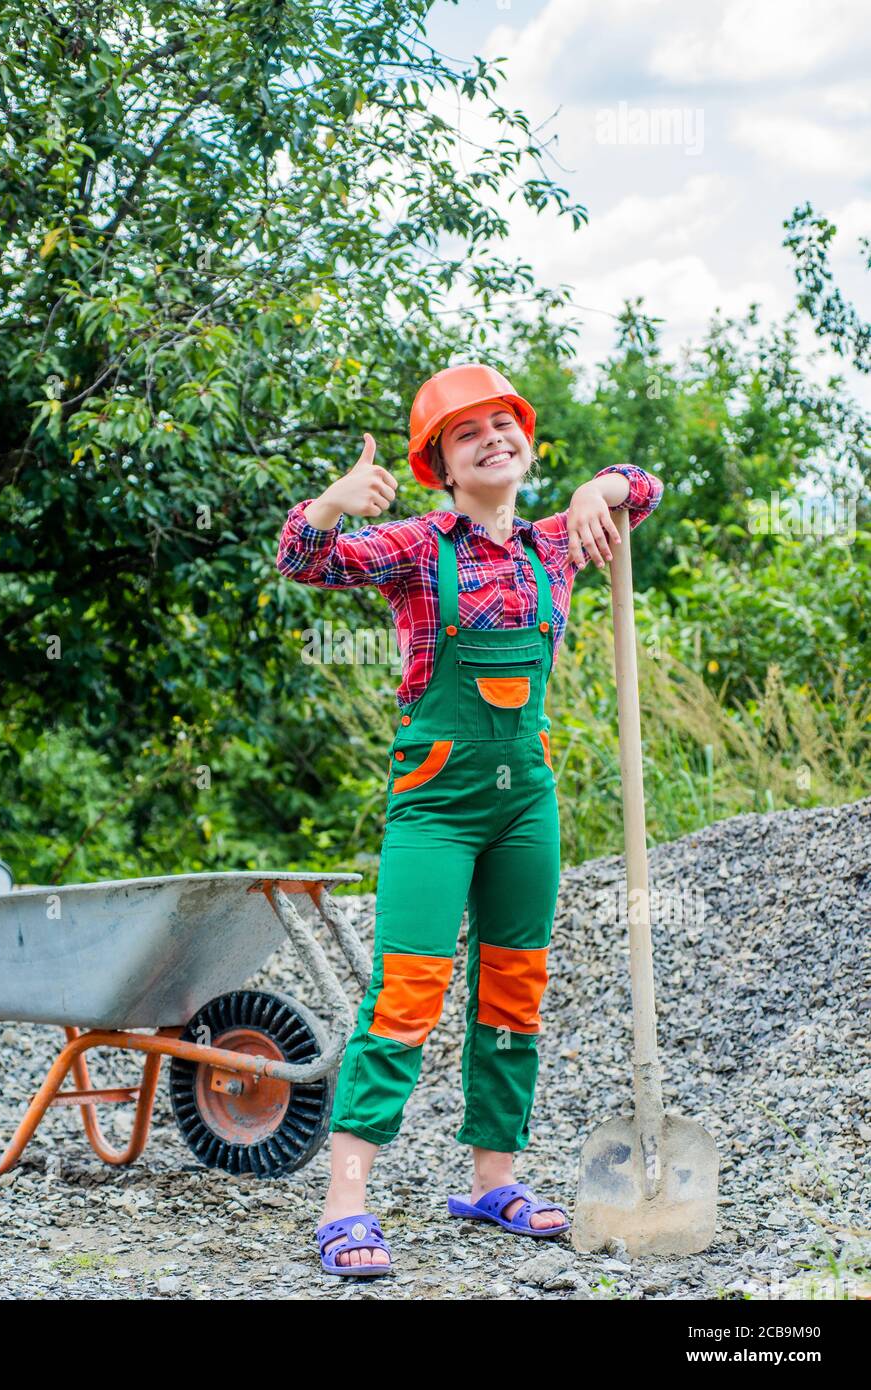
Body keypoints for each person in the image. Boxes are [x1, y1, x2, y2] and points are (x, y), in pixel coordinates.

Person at [275, 363, 664, 1277]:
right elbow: (304, 558)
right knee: (405, 992)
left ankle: (494, 1179)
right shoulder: (415, 544)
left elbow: (643, 487)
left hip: (525, 801)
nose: (492, 437)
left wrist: (595, 488)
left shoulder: (564, 541)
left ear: (524, 441)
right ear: (440, 466)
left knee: (514, 991)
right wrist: (333, 500)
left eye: (503, 423)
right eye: (466, 432)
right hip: (435, 803)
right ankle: (345, 1202)